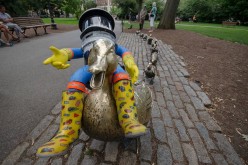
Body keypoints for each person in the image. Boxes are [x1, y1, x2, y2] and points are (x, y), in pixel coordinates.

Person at [36, 8, 147, 157]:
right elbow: (74, 52)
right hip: (91, 69)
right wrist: (63, 54)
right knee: (75, 80)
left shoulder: (112, 45)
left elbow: (125, 52)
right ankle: (68, 130)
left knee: (121, 76)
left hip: (112, 67)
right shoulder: (86, 46)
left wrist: (129, 61)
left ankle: (129, 118)